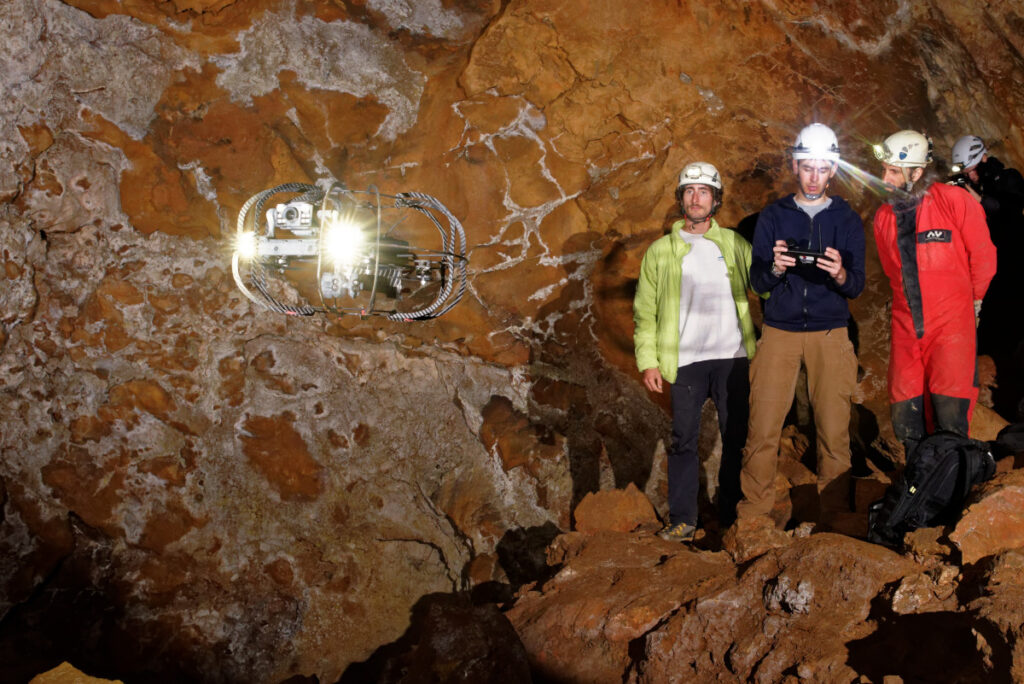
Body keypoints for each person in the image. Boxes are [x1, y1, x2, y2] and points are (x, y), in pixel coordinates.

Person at [737, 123, 865, 526]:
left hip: (830, 332)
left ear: (833, 171)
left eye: (822, 168)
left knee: (833, 431)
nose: (814, 176)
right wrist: (774, 267)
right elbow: (757, 282)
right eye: (807, 167)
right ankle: (753, 517)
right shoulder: (773, 216)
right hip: (780, 331)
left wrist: (840, 273)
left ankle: (836, 517)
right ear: (795, 166)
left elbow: (856, 285)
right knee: (762, 430)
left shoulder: (847, 218)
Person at [633, 161, 758, 541]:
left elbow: (764, 285)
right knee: (683, 442)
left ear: (715, 200)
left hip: (732, 358)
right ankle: (683, 519)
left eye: (704, 191)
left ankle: (731, 516)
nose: (696, 198)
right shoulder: (661, 251)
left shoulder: (734, 245)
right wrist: (648, 361)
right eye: (689, 191)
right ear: (681, 199)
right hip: (685, 361)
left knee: (735, 439)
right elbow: (644, 310)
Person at [873, 129, 997, 454]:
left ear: (916, 172)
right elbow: (892, 272)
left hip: (951, 326)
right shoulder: (883, 218)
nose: (885, 178)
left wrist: (974, 305)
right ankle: (919, 491)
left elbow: (984, 257)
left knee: (950, 417)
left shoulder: (954, 201)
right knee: (905, 416)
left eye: (893, 171)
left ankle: (953, 487)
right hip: (907, 329)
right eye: (884, 169)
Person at [952, 135, 1024, 418]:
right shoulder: (972, 185)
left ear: (983, 158)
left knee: (1013, 334)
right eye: (964, 172)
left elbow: (1009, 209)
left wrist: (977, 198)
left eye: (971, 169)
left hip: (1014, 269)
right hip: (990, 273)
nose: (969, 175)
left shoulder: (1008, 179)